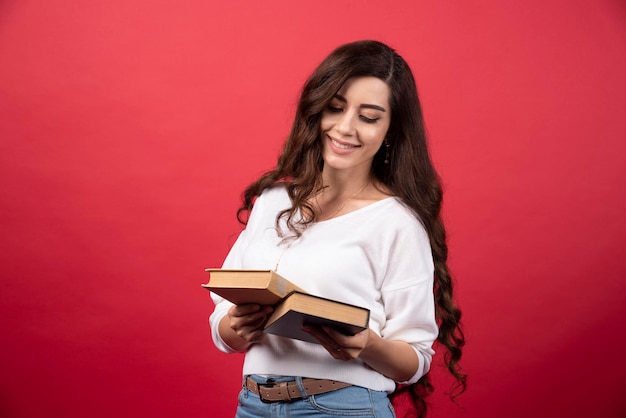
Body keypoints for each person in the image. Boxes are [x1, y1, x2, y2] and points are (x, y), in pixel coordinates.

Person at [208, 40, 466, 417]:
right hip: (253, 405)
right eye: (336, 107)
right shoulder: (273, 201)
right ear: (317, 108)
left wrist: (367, 345)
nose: (346, 128)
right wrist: (235, 326)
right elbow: (222, 324)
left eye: (369, 116)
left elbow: (415, 359)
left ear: (390, 131)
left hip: (342, 407)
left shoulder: (396, 223)